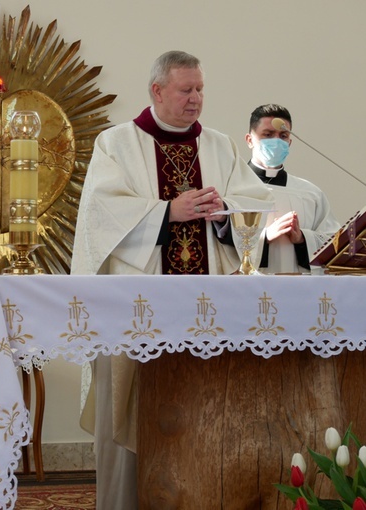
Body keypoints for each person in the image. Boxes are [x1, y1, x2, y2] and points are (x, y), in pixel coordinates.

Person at [71, 51, 272, 509]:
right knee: (131, 416)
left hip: (209, 309)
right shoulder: (116, 144)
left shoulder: (218, 146)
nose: (196, 99)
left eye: (200, 89)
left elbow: (250, 206)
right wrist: (167, 211)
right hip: (136, 309)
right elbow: (101, 217)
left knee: (205, 415)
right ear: (157, 91)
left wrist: (225, 215)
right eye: (186, 90)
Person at [245, 104, 340, 274]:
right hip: (251, 291)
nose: (276, 141)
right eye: (268, 135)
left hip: (300, 290)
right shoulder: (232, 188)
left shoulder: (310, 193)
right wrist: (264, 238)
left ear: (290, 141)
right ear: (250, 140)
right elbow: (219, 246)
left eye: (283, 135)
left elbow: (333, 243)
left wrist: (303, 239)